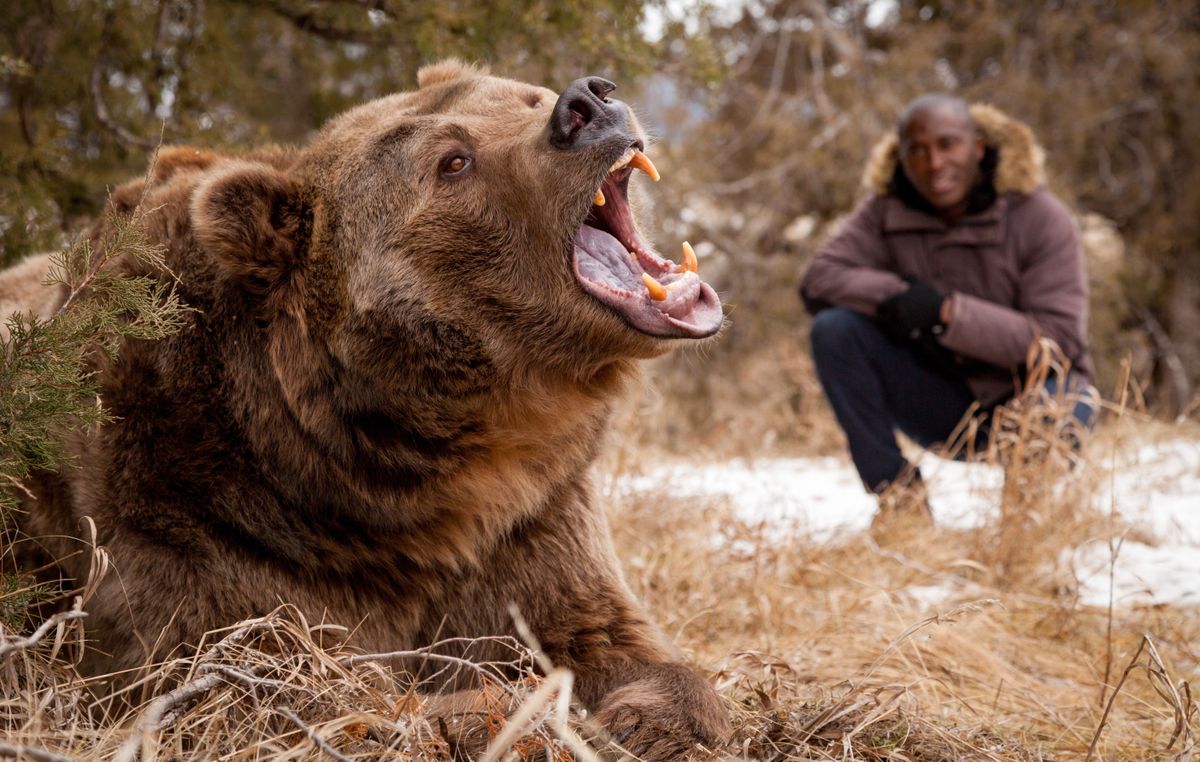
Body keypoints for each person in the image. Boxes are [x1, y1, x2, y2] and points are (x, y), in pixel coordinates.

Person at [799, 93, 1095, 524]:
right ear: (900, 157)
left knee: (1059, 403)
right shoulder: (884, 210)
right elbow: (819, 278)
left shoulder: (1041, 216)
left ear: (977, 147)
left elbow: (1060, 340)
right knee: (834, 330)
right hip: (943, 404)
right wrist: (900, 297)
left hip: (1039, 399)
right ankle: (901, 504)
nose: (934, 163)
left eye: (947, 145)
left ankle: (1023, 530)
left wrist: (947, 313)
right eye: (916, 150)